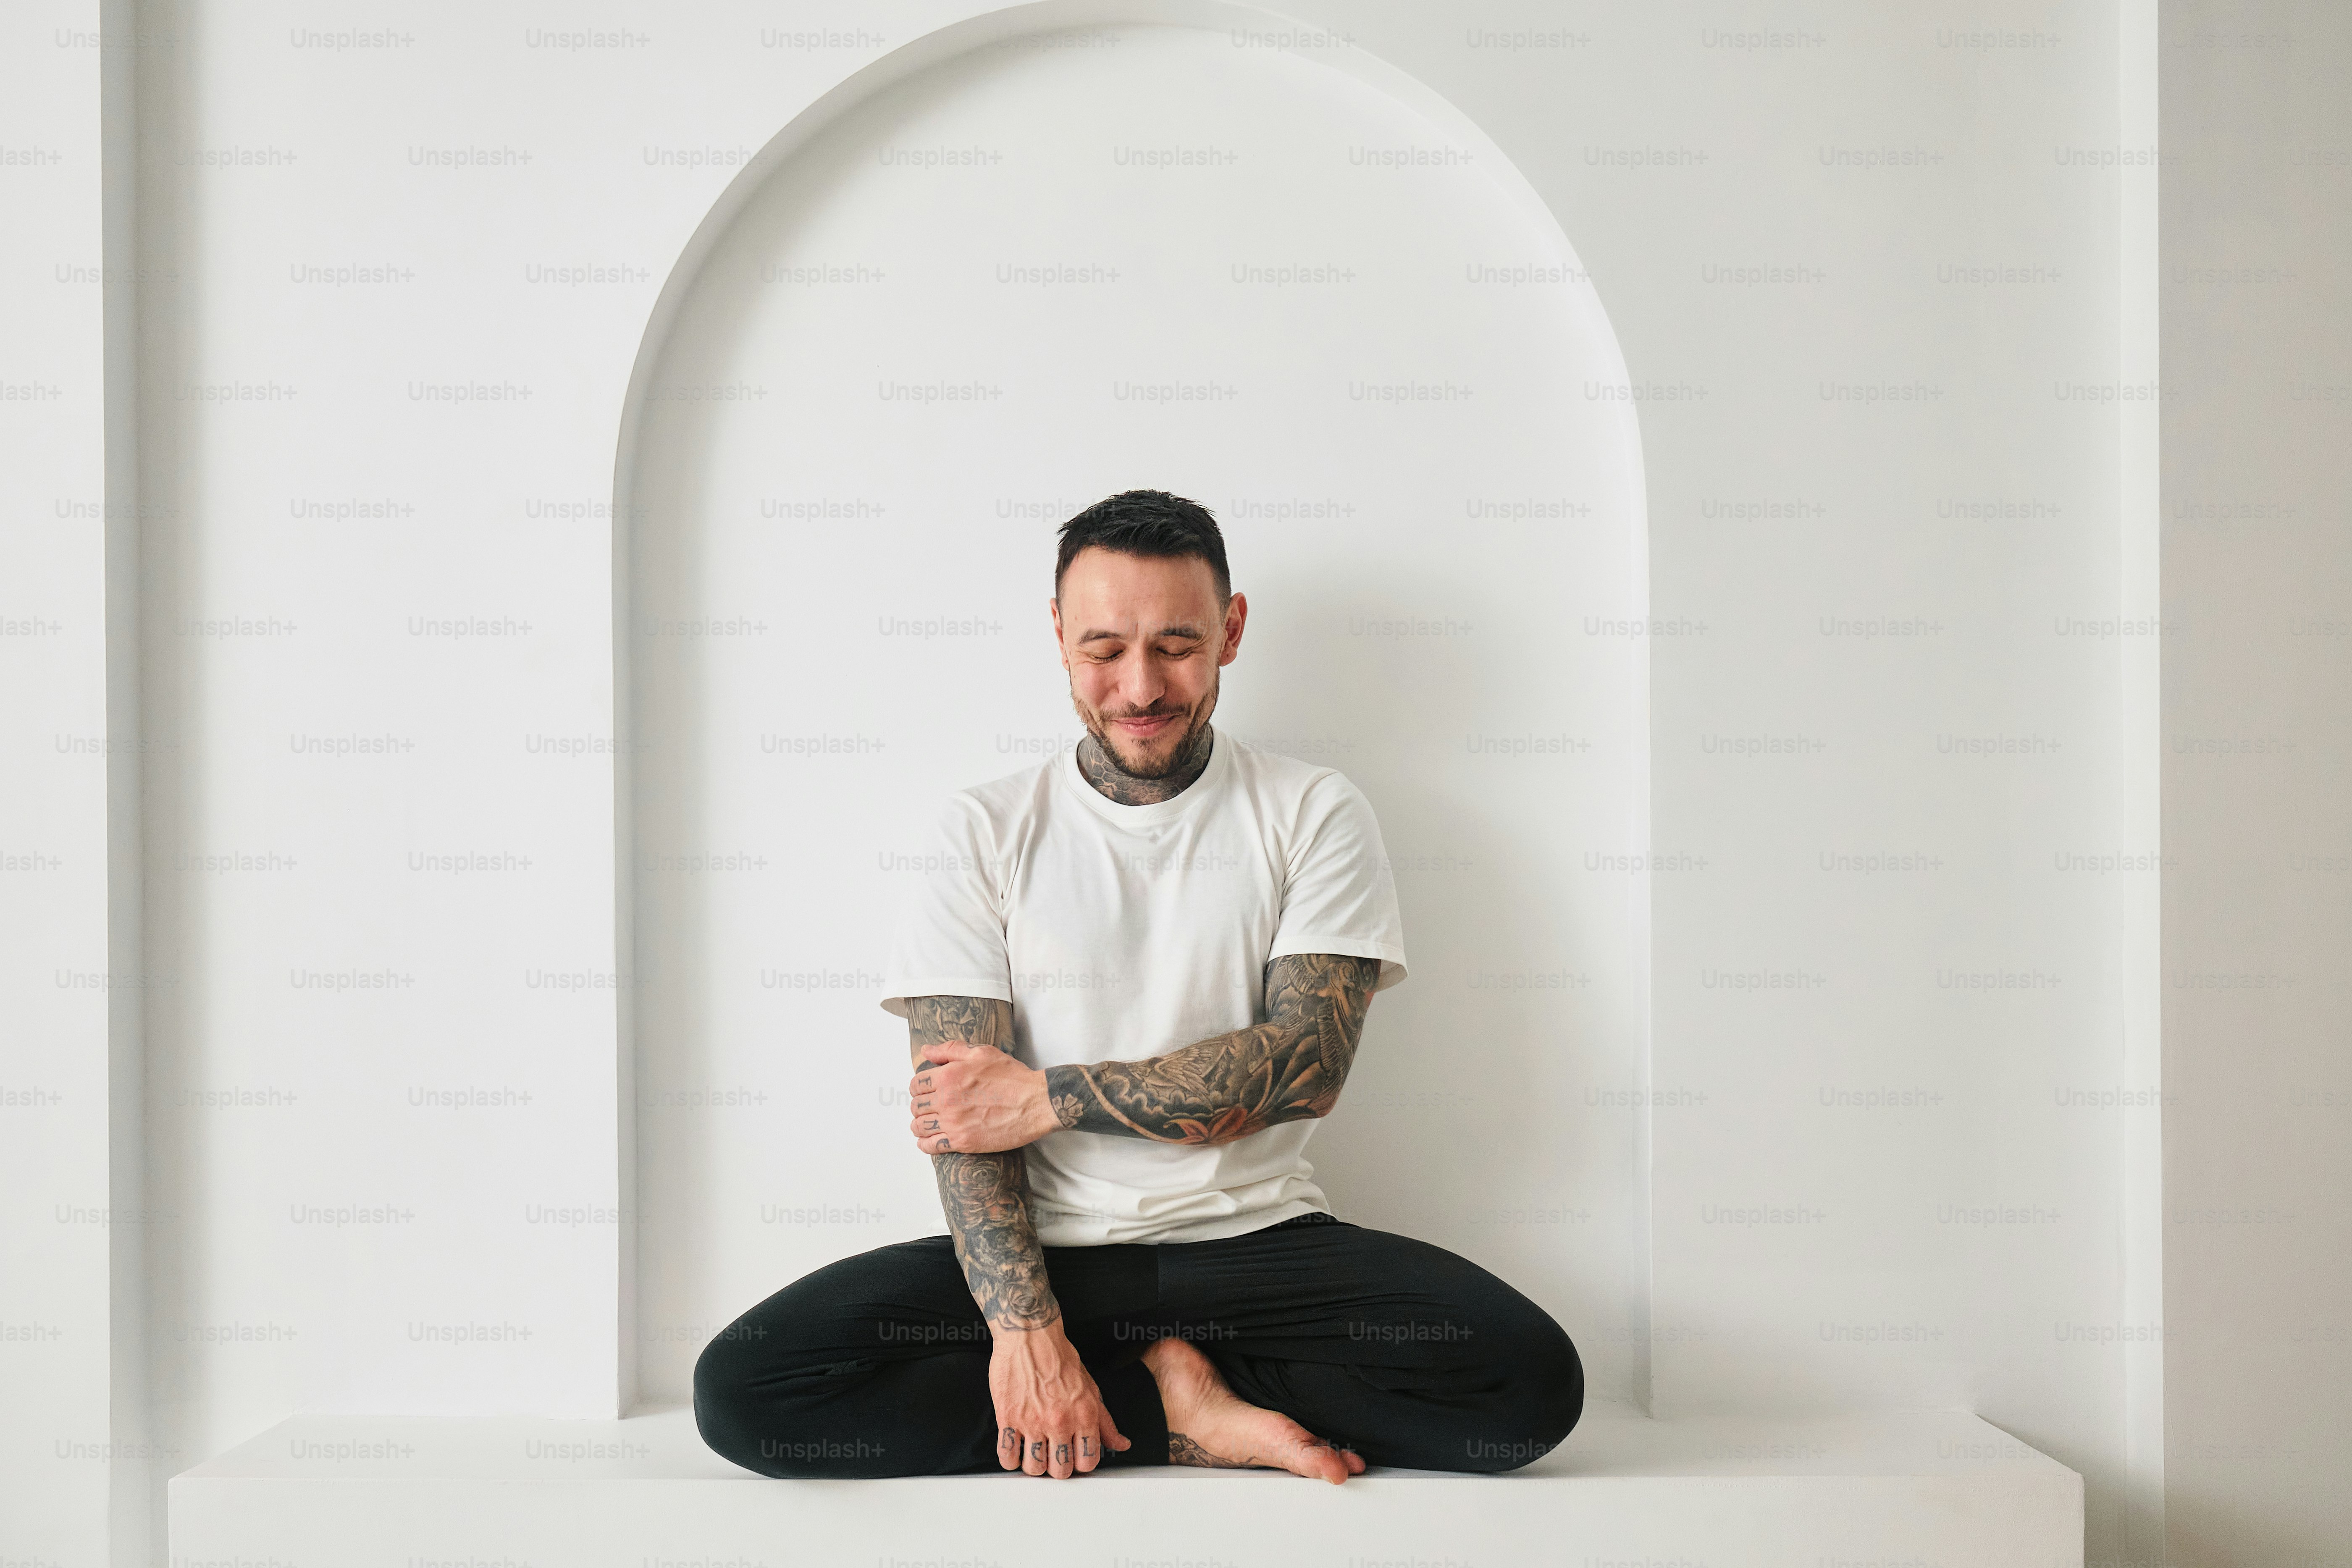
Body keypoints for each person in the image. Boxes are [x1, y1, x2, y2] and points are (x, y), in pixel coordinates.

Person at [693, 490, 1581, 1481]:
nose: (1140, 685)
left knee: (1529, 1383)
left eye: (1176, 644)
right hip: (1056, 1248)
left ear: (1232, 631)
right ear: (1058, 636)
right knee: (746, 1391)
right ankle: (1173, 1402)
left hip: (1257, 1242)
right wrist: (1025, 1330)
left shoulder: (1314, 810)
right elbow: (959, 1118)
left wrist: (1043, 1096)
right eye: (1104, 648)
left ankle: (1161, 1385)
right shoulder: (981, 828)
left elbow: (1303, 1067)